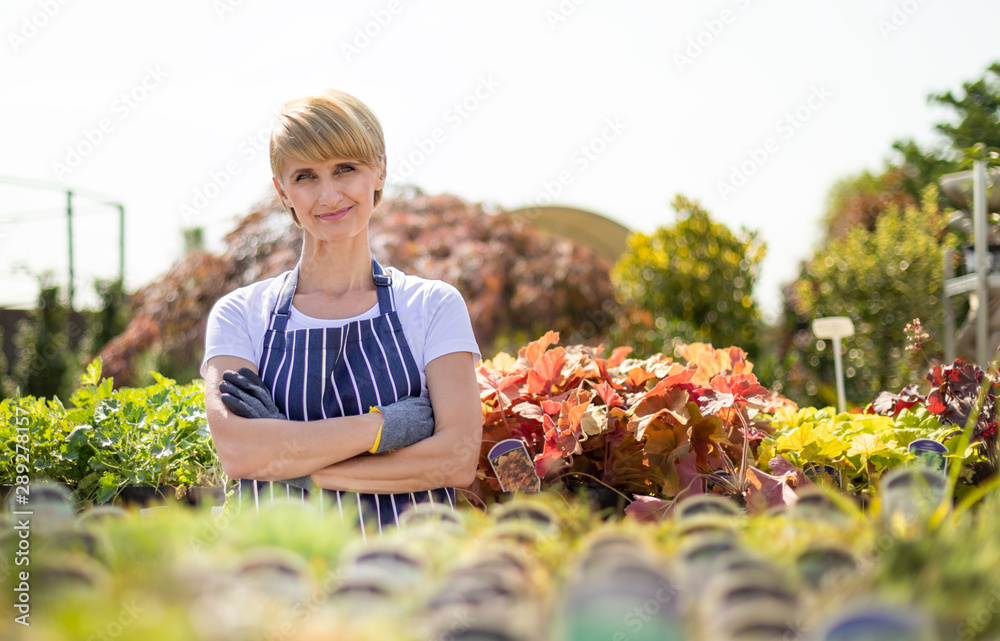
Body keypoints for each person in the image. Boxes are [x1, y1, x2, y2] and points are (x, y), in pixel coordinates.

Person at [200, 89, 483, 535]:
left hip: (411, 584)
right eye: (306, 177)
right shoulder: (240, 315)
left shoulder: (432, 305)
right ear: (283, 192)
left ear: (379, 170)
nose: (329, 194)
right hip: (279, 586)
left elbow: (456, 458)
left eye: (345, 169)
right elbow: (240, 453)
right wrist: (388, 427)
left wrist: (292, 465)